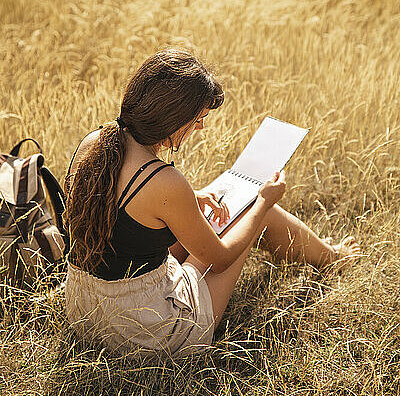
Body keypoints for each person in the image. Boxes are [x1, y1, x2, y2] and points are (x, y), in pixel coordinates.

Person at [64, 48, 360, 358]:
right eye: (198, 119)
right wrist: (261, 203)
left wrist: (192, 198)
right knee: (250, 210)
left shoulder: (96, 142)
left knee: (221, 204)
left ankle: (325, 252)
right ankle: (332, 259)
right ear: (173, 117)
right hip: (146, 332)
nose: (201, 128)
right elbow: (221, 259)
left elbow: (118, 211)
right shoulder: (162, 180)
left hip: (86, 310)